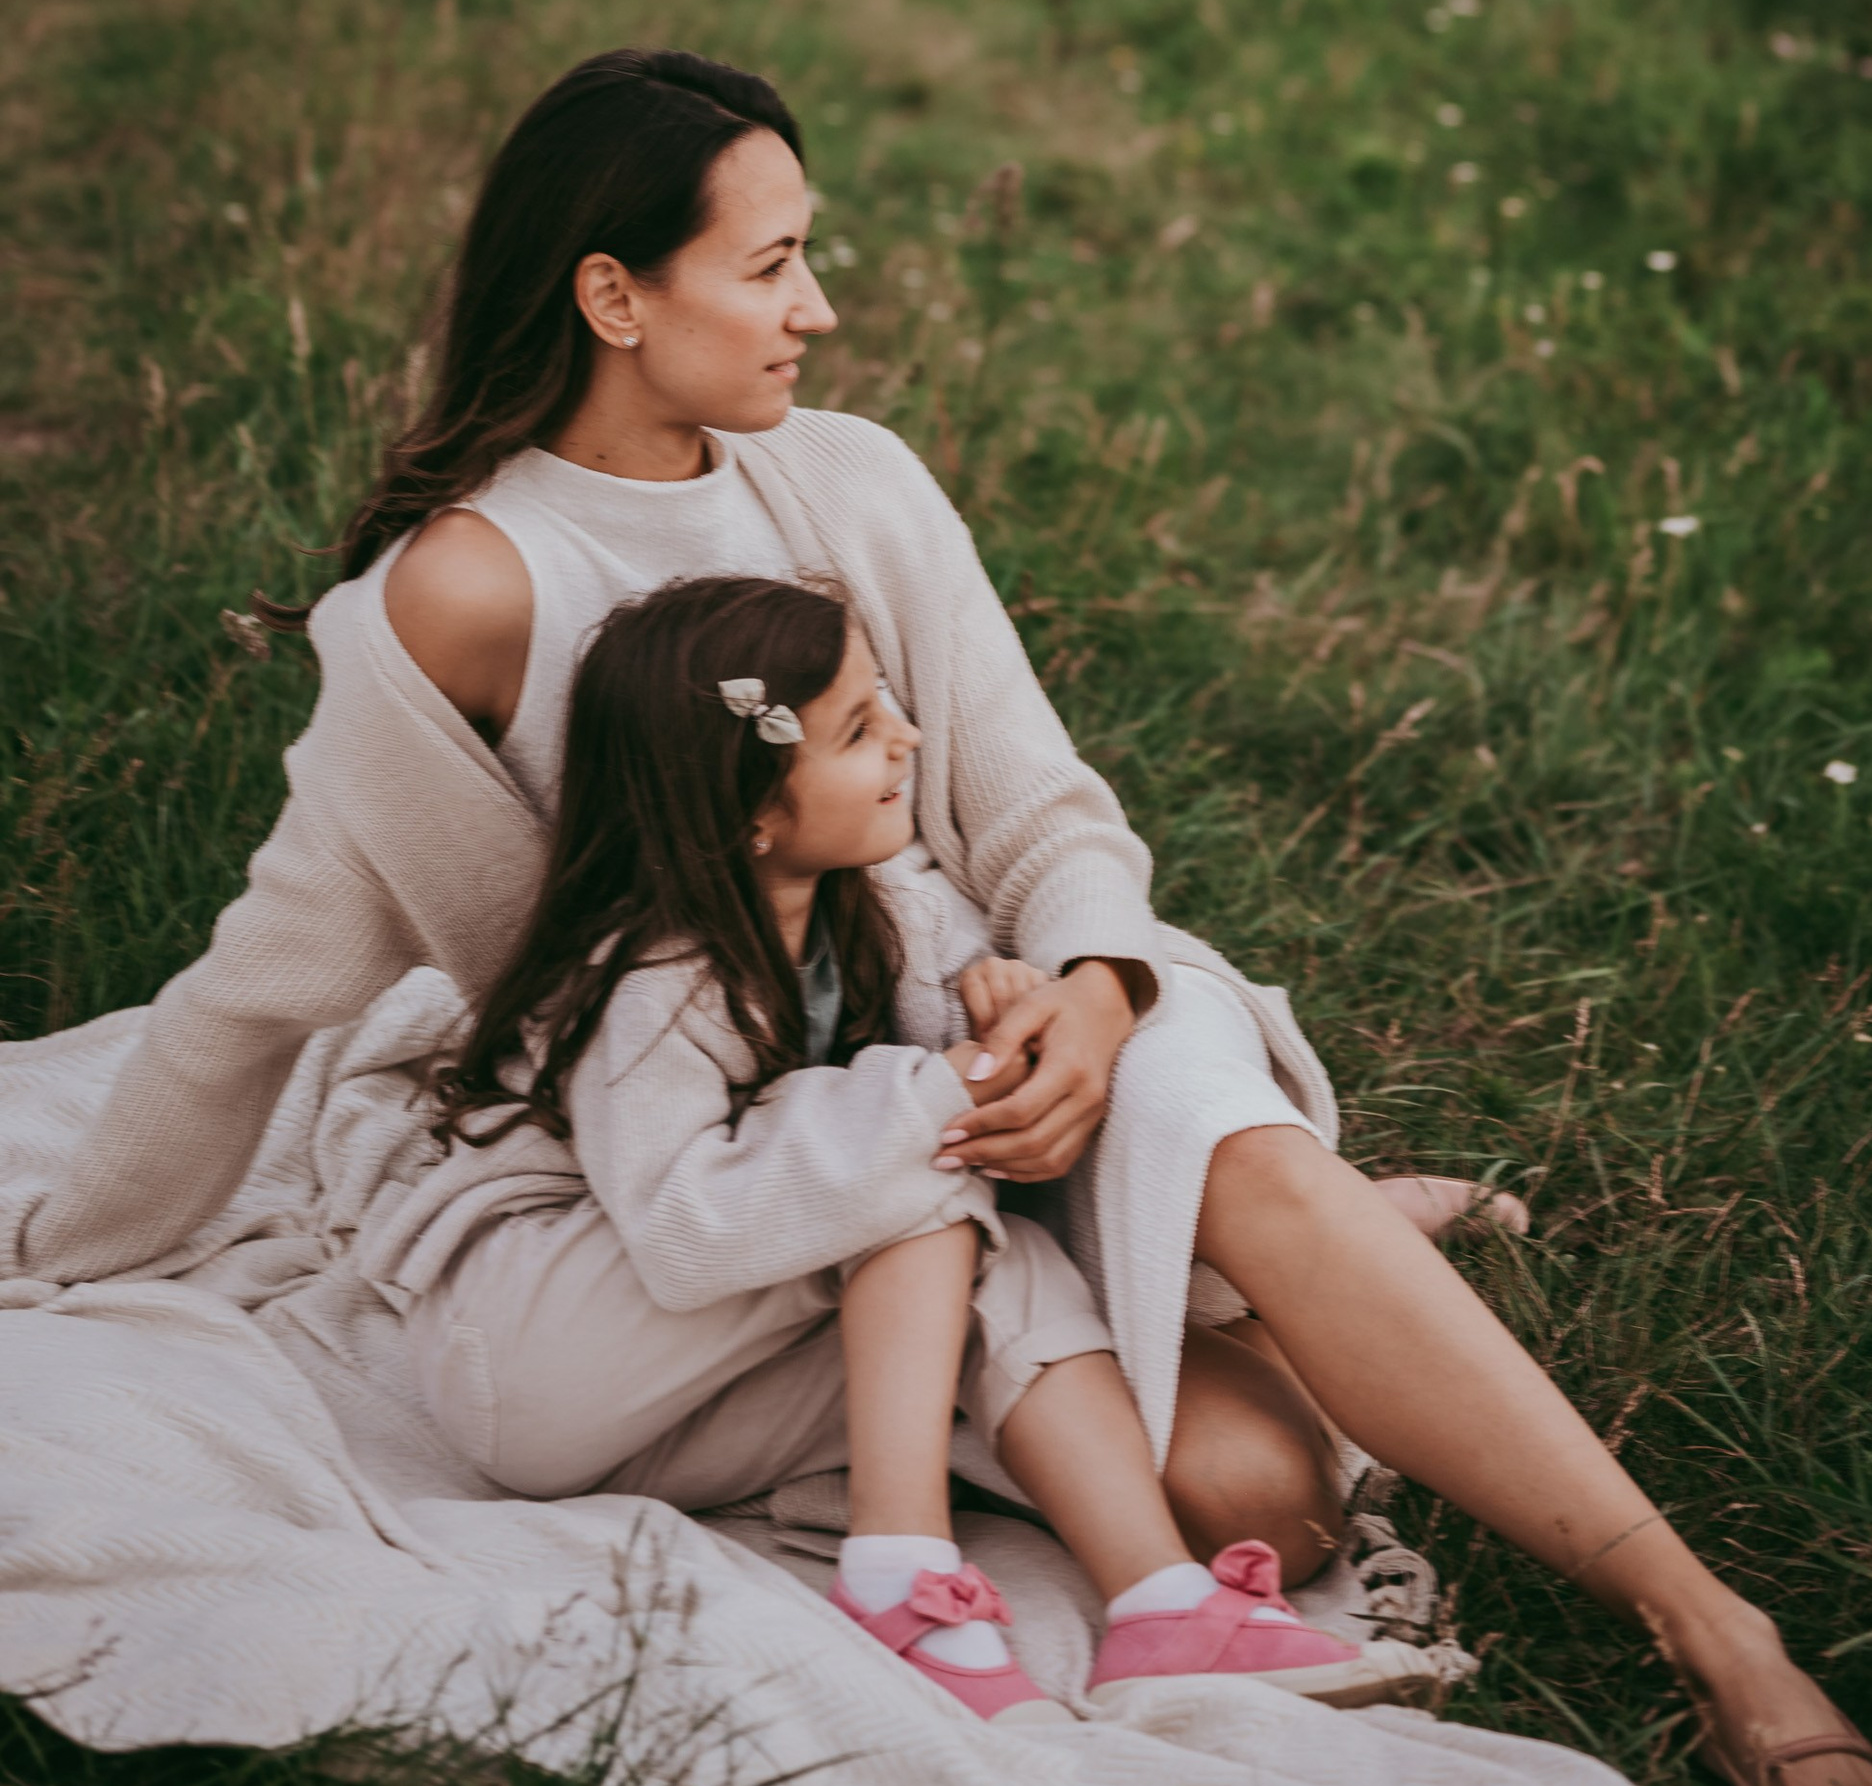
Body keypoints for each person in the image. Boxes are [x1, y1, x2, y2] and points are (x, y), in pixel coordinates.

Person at [26, 46, 1872, 1786]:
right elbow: (274, 976)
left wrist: (1097, 990)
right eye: (770, 264)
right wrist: (70, 1232)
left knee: (1224, 1126)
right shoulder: (461, 595)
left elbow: (1039, 807)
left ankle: (1730, 1642)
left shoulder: (849, 484)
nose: (822, 307)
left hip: (986, 996)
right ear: (614, 292)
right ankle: (1300, 1279)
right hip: (735, 1139)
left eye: (809, 250)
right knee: (1245, 1481)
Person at [369, 568, 1414, 1721]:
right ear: (748, 808)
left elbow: (939, 1060)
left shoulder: (869, 905)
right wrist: (945, 1088)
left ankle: (1159, 1601)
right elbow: (683, 1231)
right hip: (539, 1357)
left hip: (677, 1412)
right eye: (863, 728)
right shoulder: (654, 979)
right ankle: (902, 1560)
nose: (908, 738)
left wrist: (1002, 1007)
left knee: (986, 1245)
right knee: (914, 1164)